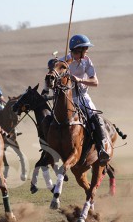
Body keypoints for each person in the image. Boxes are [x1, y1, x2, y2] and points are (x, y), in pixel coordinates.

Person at [43, 34, 109, 163]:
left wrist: (80, 80)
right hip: (65, 99)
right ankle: (47, 149)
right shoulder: (62, 62)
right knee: (49, 120)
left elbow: (95, 82)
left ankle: (101, 149)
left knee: (95, 117)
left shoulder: (87, 61)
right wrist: (47, 88)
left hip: (82, 97)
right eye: (84, 49)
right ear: (76, 50)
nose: (86, 52)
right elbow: (50, 76)